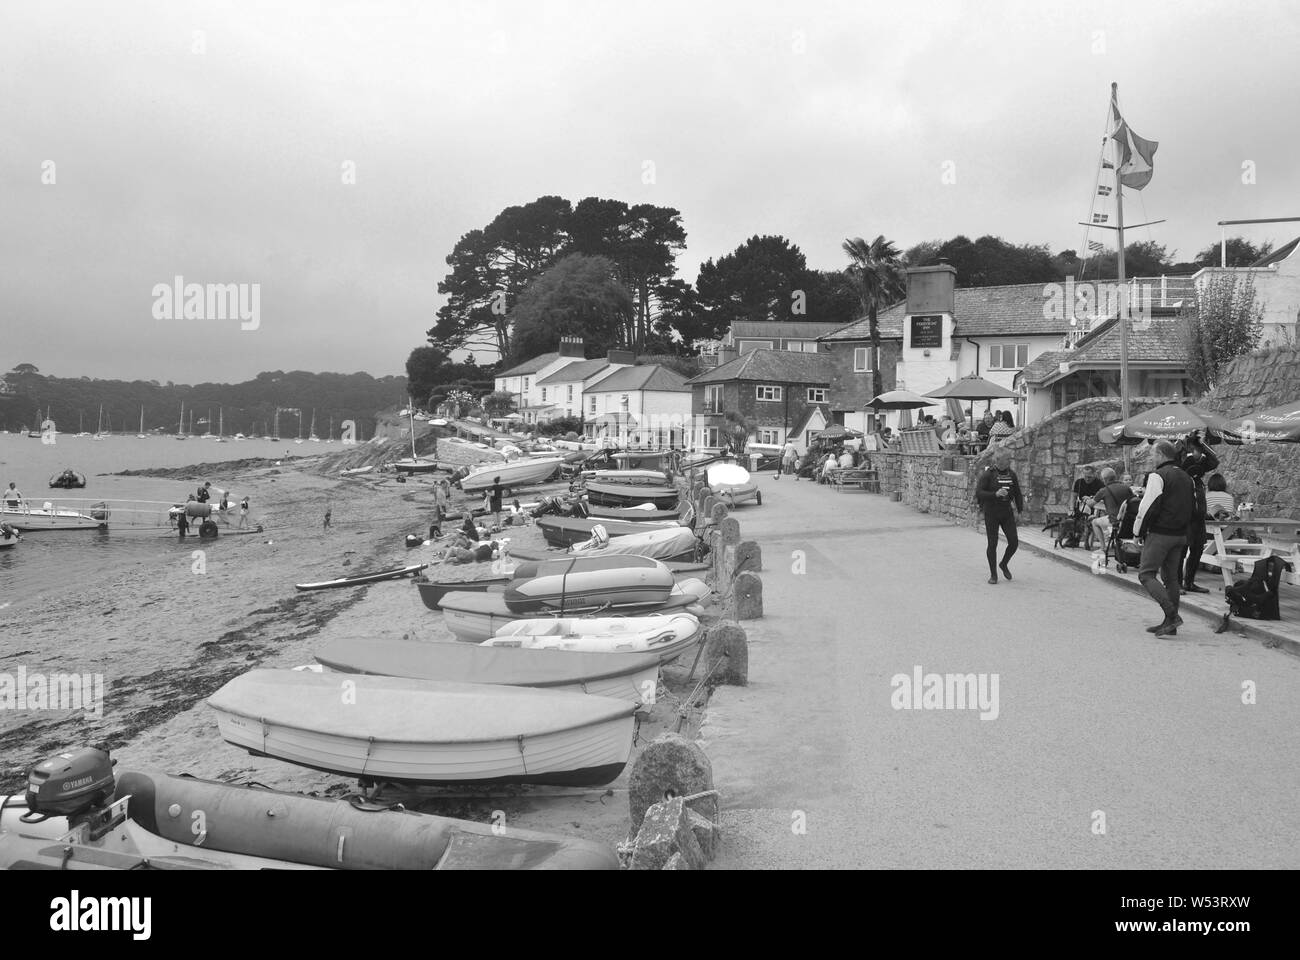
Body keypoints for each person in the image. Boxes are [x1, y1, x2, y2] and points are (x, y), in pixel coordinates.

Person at [1133, 439, 1194, 637]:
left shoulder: (1158, 476)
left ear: (1160, 454)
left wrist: (1137, 532)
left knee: (1146, 574)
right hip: (1180, 535)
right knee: (1171, 579)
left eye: (1152, 454)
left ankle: (1172, 615)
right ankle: (1170, 624)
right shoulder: (1187, 477)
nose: (1151, 458)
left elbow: (1147, 506)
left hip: (1161, 533)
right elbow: (1194, 507)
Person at [1178, 430, 1220, 594]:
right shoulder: (1180, 469)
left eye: (1199, 451)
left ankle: (1189, 582)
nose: (1198, 454)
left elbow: (1214, 460)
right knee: (1181, 550)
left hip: (1199, 518)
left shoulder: (1199, 470)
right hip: (1184, 518)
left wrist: (1202, 443)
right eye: (1195, 450)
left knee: (1197, 550)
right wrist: (1185, 441)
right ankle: (1178, 584)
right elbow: (1181, 458)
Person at [975, 446, 1023, 584]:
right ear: (998, 460)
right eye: (1007, 459)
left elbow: (1018, 494)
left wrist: (1019, 511)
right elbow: (979, 493)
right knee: (992, 544)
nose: (1010, 461)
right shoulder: (988, 474)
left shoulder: (1011, 474)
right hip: (992, 513)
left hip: (1006, 513)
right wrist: (995, 494)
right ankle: (993, 575)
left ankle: (1003, 564)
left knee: (1013, 543)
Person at [1090, 467, 1133, 548]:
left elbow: (1091, 504)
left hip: (1114, 520)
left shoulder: (1104, 490)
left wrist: (1087, 500)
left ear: (1105, 479)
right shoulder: (1126, 488)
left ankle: (1103, 547)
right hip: (1128, 520)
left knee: (1094, 522)